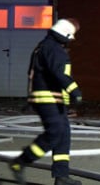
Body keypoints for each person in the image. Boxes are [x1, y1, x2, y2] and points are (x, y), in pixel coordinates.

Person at [10, 18, 83, 185]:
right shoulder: (52, 49)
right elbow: (59, 73)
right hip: (47, 98)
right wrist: (75, 91)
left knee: (63, 135)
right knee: (55, 132)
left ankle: (61, 176)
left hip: (53, 98)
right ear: (64, 34)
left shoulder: (45, 46)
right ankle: (20, 162)